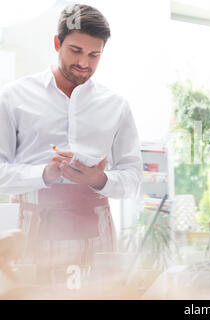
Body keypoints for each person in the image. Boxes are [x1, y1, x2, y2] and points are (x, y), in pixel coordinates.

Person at [0, 4, 142, 278]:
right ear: (57, 43)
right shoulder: (12, 97)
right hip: (29, 230)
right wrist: (44, 173)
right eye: (75, 51)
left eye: (94, 55)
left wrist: (99, 179)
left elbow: (133, 178)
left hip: (96, 231)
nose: (84, 63)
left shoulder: (117, 106)